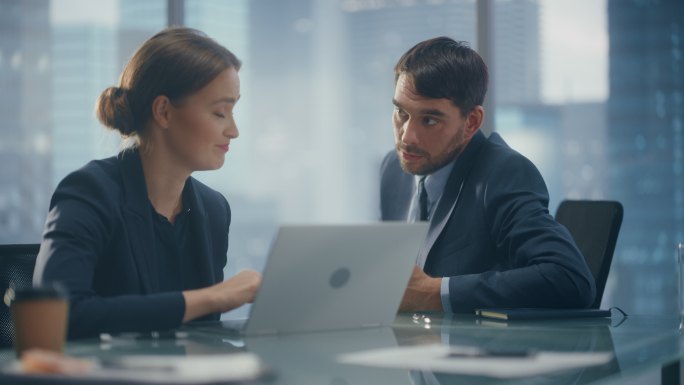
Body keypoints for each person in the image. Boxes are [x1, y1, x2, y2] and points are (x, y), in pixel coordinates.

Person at [33, 27, 261, 338]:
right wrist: (213, 297)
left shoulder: (214, 209)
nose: (233, 130)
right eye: (220, 112)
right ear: (164, 111)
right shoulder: (90, 192)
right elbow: (58, 314)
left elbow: (201, 333)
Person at [380, 37, 595, 312]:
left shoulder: (503, 173)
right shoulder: (393, 169)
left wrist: (436, 293)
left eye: (430, 120)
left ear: (471, 122)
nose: (407, 137)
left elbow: (570, 279)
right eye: (401, 112)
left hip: (479, 349)